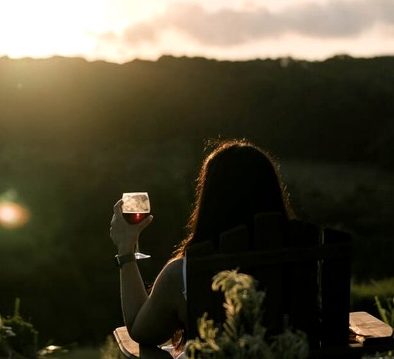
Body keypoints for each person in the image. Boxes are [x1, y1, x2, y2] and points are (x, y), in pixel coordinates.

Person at [109, 139, 295, 358]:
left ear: (208, 200)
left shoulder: (184, 273)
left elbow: (141, 331)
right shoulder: (306, 261)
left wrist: (126, 249)